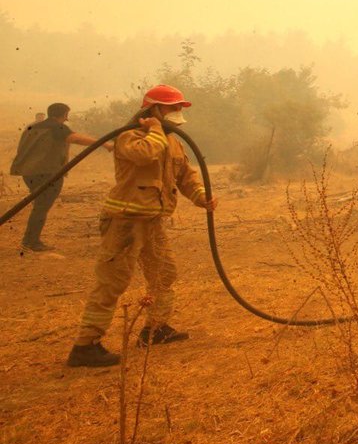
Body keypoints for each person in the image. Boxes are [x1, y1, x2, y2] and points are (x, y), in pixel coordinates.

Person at [67, 84, 218, 368]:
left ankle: (155, 330)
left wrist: (201, 197)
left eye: (179, 108)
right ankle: (85, 345)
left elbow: (185, 174)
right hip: (125, 221)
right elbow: (145, 154)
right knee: (112, 282)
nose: (177, 114)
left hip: (152, 222)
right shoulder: (129, 137)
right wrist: (156, 130)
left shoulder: (172, 142)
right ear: (152, 110)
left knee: (164, 273)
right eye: (172, 108)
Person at [9, 102, 110, 252]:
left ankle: (31, 239)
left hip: (28, 172)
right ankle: (31, 241)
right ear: (64, 115)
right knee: (41, 206)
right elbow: (75, 138)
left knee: (39, 205)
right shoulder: (57, 127)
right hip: (47, 173)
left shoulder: (33, 127)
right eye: (66, 115)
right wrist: (104, 144)